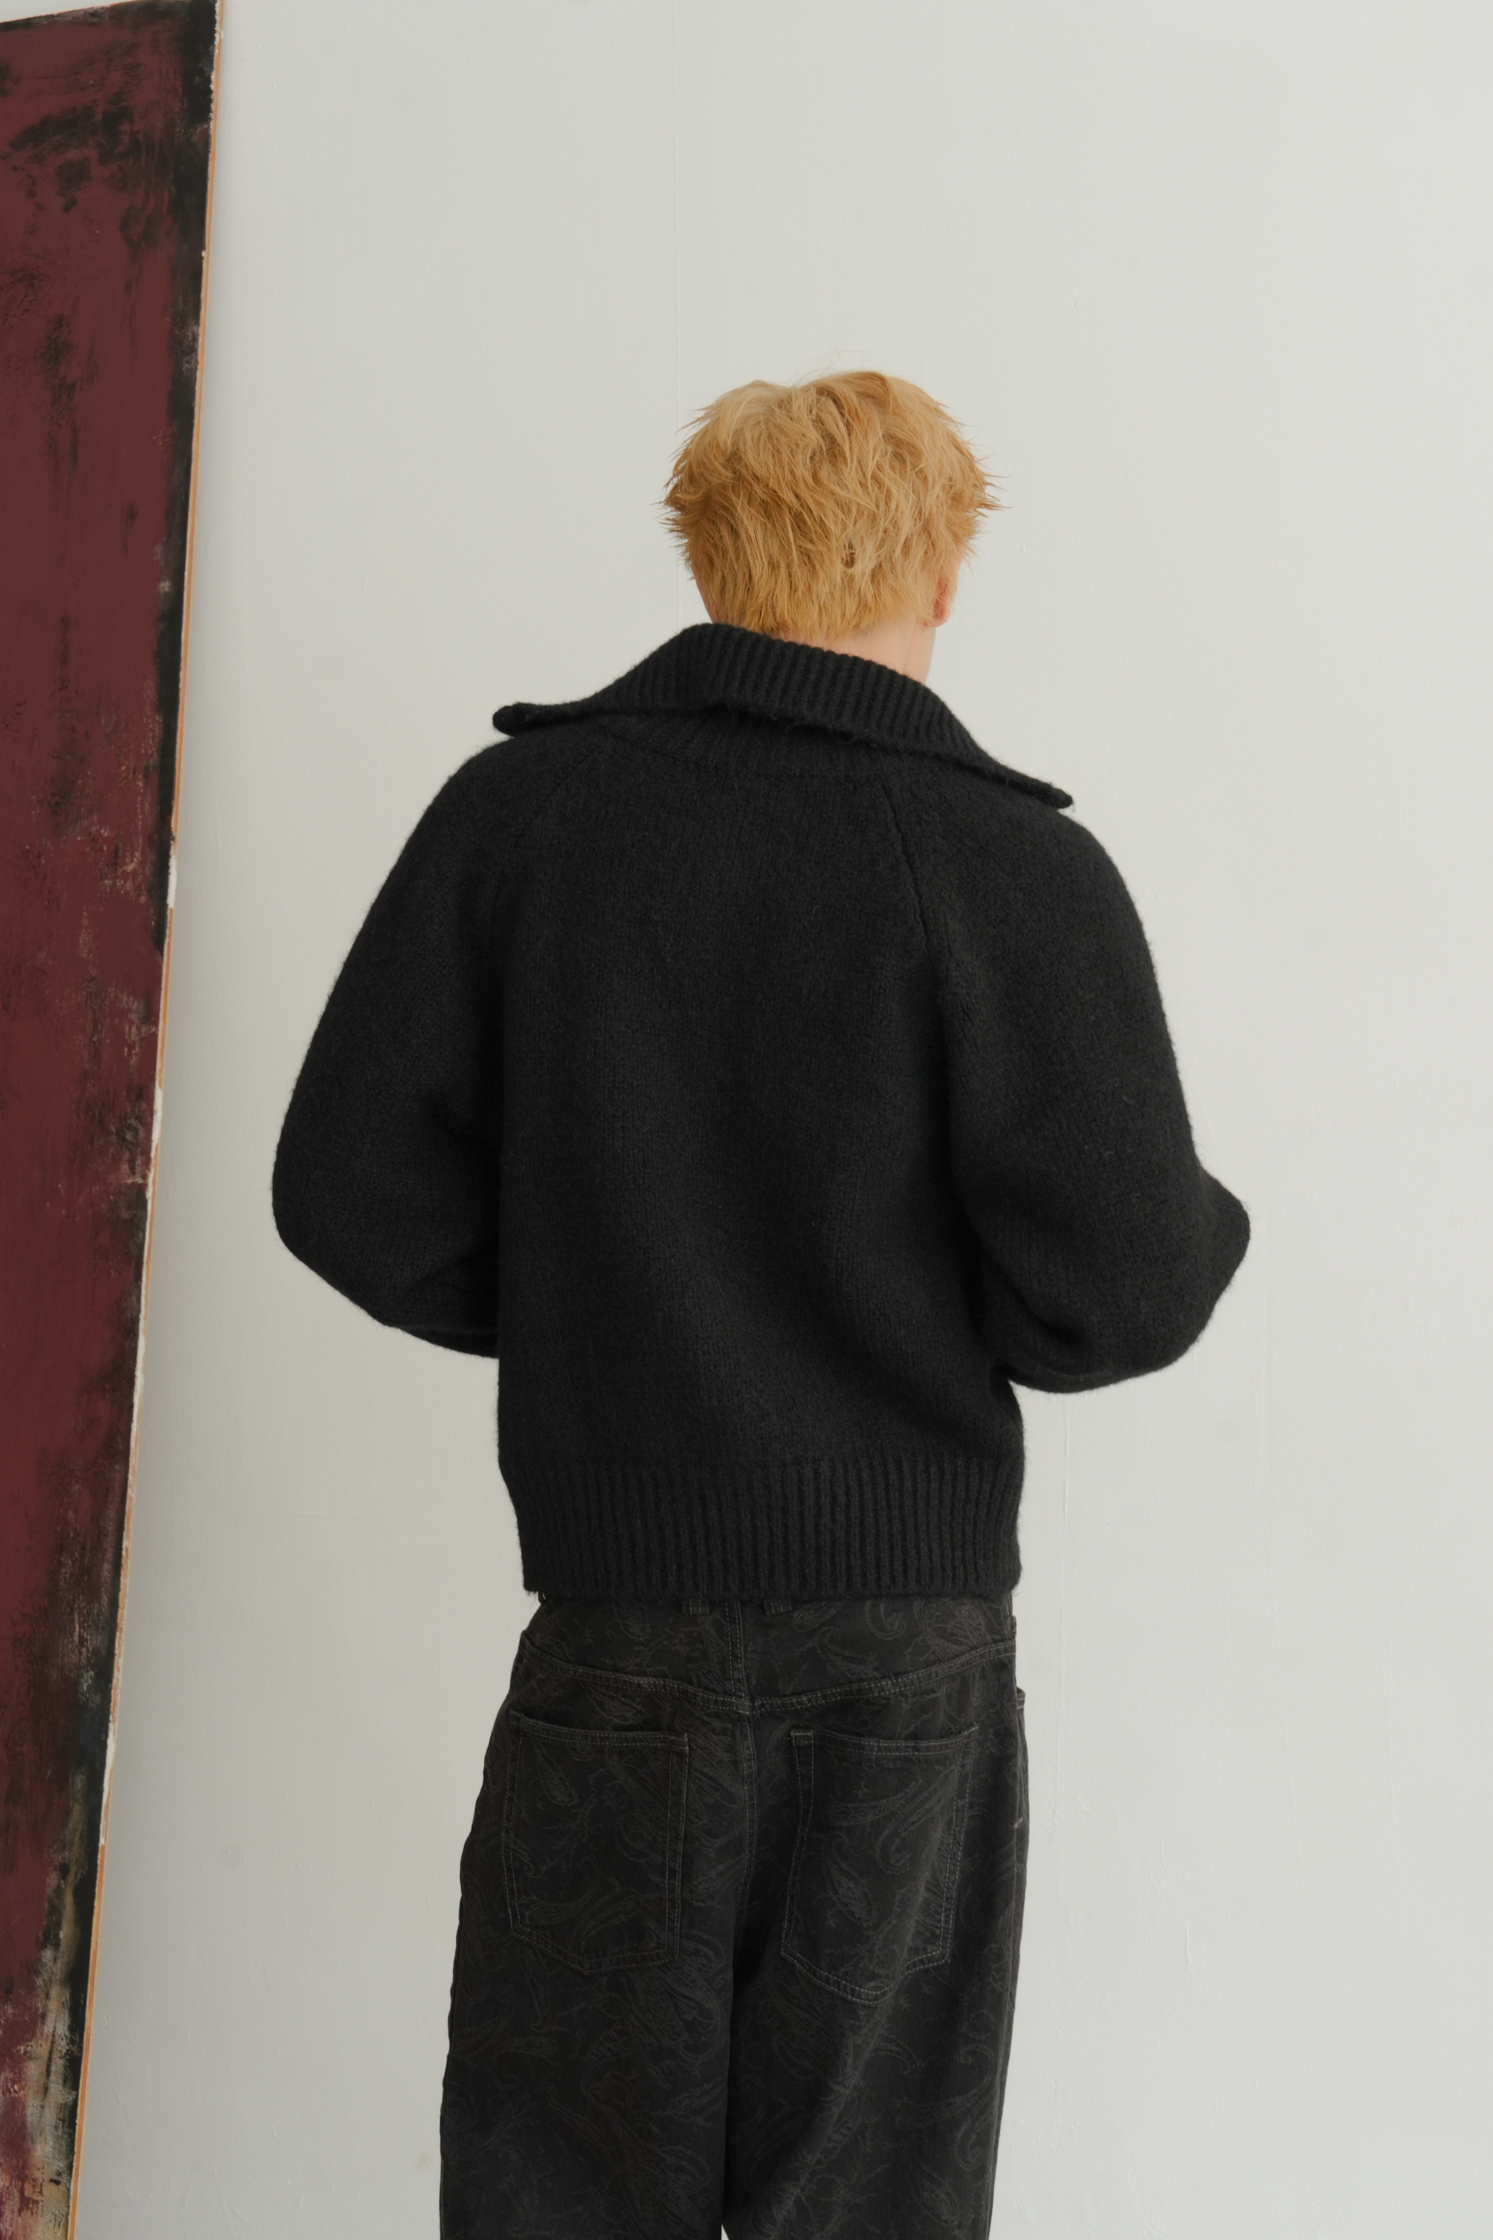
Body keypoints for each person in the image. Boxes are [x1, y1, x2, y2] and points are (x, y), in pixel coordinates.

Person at [272, 370, 1249, 2240]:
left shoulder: (518, 816)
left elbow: (347, 1197)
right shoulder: (1009, 863)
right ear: (946, 570)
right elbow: (1123, 1293)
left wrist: (613, 1309)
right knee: (868, 2198)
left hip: (616, 1622)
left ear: (704, 558)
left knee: (563, 2190)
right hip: (905, 1649)